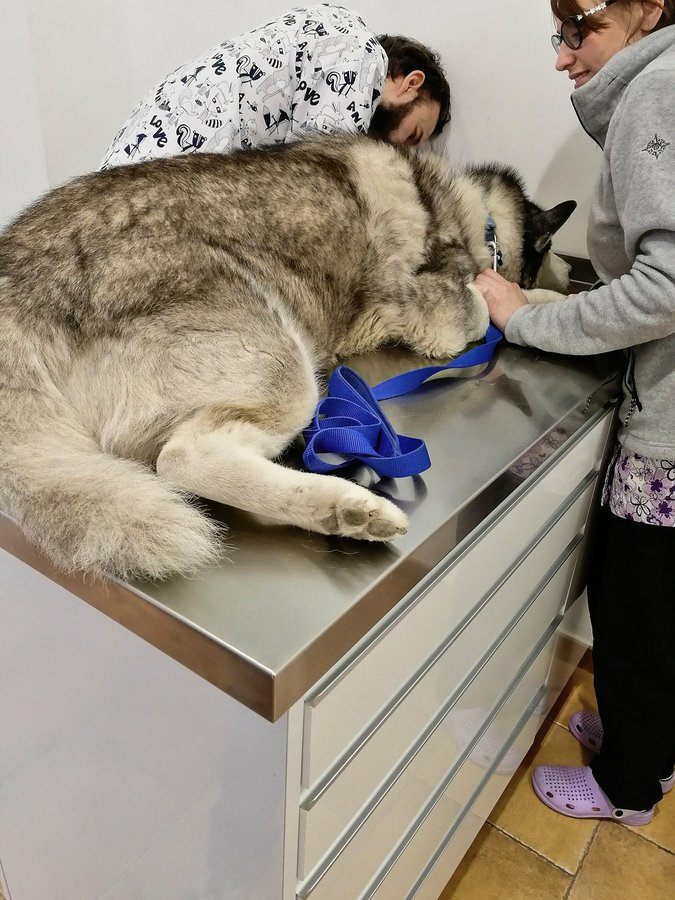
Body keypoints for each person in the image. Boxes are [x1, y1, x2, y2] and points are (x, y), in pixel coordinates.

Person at [475, 0, 674, 825]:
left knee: (635, 615)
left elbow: (665, 286)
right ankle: (646, 744)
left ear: (648, 9)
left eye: (578, 28)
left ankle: (626, 788)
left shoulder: (657, 92)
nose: (562, 57)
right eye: (556, 33)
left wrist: (524, 315)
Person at [99, 4, 450, 169]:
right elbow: (321, 174)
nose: (401, 150)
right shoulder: (360, 55)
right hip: (172, 170)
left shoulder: (328, 33)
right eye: (412, 136)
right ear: (410, 84)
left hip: (145, 149)